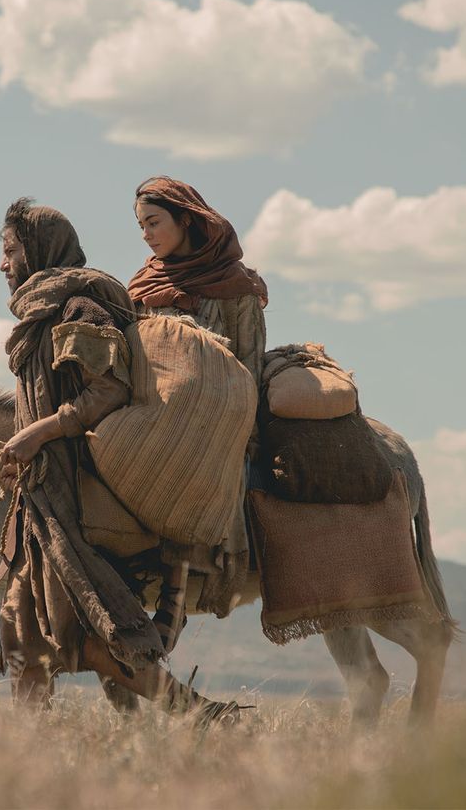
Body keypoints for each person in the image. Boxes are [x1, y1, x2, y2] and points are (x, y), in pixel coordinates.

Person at [0, 196, 236, 720]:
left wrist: (38, 433)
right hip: (41, 495)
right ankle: (29, 756)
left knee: (79, 639)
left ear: (37, 248)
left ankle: (204, 715)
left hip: (78, 494)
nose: (3, 263)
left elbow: (108, 391)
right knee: (19, 631)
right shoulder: (40, 312)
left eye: (10, 250)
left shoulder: (80, 305)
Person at [127, 176, 270, 647]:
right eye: (141, 226)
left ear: (186, 219)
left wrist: (234, 426)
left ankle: (175, 592)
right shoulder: (143, 286)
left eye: (154, 222)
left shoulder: (236, 287)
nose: (147, 234)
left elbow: (249, 363)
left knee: (192, 467)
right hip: (149, 415)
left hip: (220, 420)